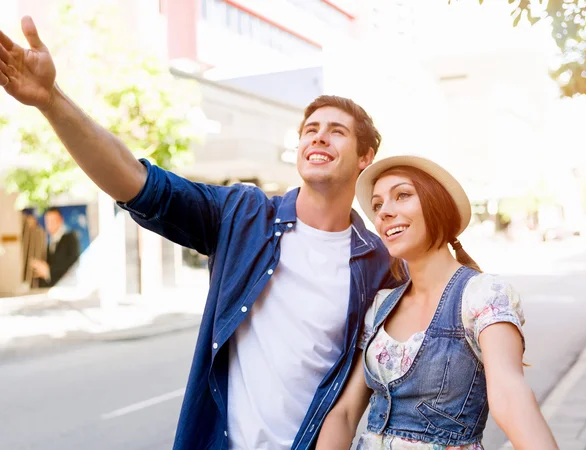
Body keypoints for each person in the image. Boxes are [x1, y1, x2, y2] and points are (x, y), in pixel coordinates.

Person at [0, 17, 395, 449]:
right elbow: (139, 184)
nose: (318, 139)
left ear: (365, 157)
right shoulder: (244, 215)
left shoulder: (377, 262)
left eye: (336, 132)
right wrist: (51, 101)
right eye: (310, 131)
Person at [316, 155, 559, 449]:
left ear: (436, 205)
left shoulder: (482, 295)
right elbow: (344, 414)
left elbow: (510, 395)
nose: (383, 213)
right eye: (378, 205)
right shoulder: (381, 305)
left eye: (402, 195)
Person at [29, 207, 80, 288]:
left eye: (53, 220)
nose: (50, 224)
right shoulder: (49, 242)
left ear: (61, 220)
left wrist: (48, 271)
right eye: (48, 221)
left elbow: (73, 264)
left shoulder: (70, 238)